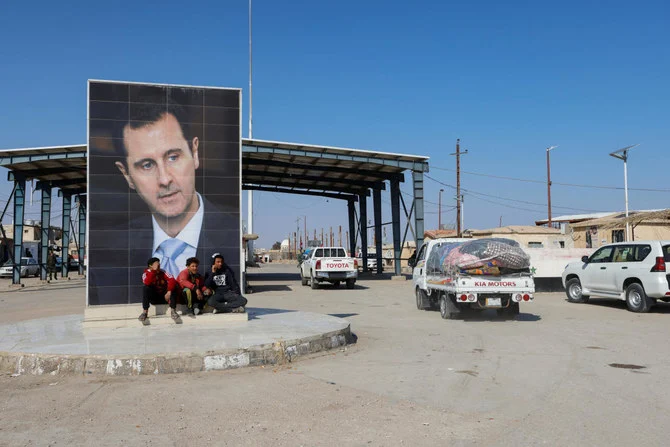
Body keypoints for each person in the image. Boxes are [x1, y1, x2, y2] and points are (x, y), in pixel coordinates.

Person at [112, 106, 238, 278]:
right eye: (147, 165)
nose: (164, 179)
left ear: (195, 152)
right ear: (126, 175)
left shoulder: (234, 237)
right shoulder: (112, 253)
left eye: (173, 157)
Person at [139, 257, 180, 323]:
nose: (158, 266)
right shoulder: (146, 273)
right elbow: (147, 282)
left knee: (173, 287)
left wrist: (169, 291)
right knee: (146, 288)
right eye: (156, 264)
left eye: (159, 264)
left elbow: (172, 279)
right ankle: (145, 312)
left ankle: (173, 311)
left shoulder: (163, 272)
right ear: (150, 266)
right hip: (154, 298)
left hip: (164, 297)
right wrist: (153, 271)